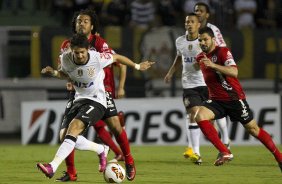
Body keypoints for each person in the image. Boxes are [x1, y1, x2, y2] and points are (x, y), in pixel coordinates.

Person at [36, 33, 154, 179]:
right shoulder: (65, 59)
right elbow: (66, 74)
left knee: (76, 128)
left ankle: (52, 166)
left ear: (88, 50)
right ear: (71, 50)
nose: (79, 56)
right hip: (79, 99)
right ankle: (100, 148)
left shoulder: (97, 58)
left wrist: (137, 66)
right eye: (76, 52)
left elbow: (117, 58)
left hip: (97, 100)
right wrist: (54, 72)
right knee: (64, 136)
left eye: (82, 52)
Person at [56, 8, 133, 181]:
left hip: (100, 92)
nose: (81, 23)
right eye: (78, 21)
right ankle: (71, 172)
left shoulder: (99, 43)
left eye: (85, 21)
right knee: (67, 133)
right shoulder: (67, 45)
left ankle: (128, 159)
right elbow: (65, 69)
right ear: (74, 25)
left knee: (115, 126)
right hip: (77, 93)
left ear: (92, 26)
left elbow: (119, 61)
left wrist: (121, 86)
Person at [195, 27, 282, 171]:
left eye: (205, 39)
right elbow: (197, 68)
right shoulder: (200, 57)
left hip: (234, 99)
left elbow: (234, 72)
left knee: (253, 129)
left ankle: (279, 157)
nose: (203, 42)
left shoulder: (222, 52)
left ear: (213, 39)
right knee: (200, 115)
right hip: (216, 100)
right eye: (200, 40)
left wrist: (213, 65)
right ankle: (225, 151)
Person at [180, 2, 231, 159]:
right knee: (194, 114)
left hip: (211, 77)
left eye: (201, 11)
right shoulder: (187, 34)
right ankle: (193, 149)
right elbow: (181, 53)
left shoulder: (212, 30)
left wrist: (214, 65)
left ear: (207, 15)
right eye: (196, 11)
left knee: (217, 110)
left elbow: (221, 50)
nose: (199, 13)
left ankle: (226, 140)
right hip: (192, 82)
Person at [164, 13, 203, 164]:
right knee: (193, 113)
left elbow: (210, 58)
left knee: (205, 119)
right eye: (187, 22)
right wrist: (170, 72)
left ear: (198, 24)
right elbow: (179, 57)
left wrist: (201, 64)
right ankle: (196, 152)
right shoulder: (180, 41)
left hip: (205, 84)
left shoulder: (203, 41)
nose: (189, 24)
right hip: (189, 84)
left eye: (192, 22)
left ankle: (224, 144)